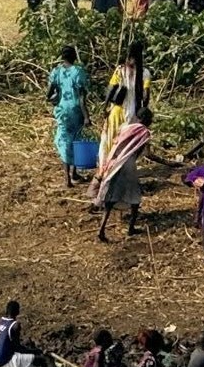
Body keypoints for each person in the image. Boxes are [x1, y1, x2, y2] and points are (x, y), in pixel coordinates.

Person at [91, 110, 151, 243]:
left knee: (110, 198)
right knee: (135, 197)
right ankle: (131, 228)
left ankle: (101, 229)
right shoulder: (144, 133)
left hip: (115, 162)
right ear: (148, 120)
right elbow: (143, 153)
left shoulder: (126, 127)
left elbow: (115, 143)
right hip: (128, 165)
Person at [99, 43, 150, 161]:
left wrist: (105, 106)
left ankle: (107, 167)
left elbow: (111, 89)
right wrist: (143, 110)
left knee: (110, 140)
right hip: (134, 113)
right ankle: (123, 166)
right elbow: (146, 96)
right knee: (127, 142)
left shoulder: (120, 70)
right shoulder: (145, 72)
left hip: (117, 110)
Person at [48, 46, 89, 186]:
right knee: (76, 140)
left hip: (61, 110)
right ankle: (74, 173)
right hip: (75, 110)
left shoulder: (56, 71)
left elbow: (49, 93)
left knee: (65, 141)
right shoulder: (78, 72)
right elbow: (82, 98)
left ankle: (67, 178)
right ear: (74, 57)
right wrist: (86, 116)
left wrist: (54, 98)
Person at [0, 300, 50, 367]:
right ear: (18, 312)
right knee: (45, 358)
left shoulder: (0, 322)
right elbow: (18, 349)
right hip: (5, 361)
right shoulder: (15, 325)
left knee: (34, 357)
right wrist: (36, 351)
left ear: (6, 311)